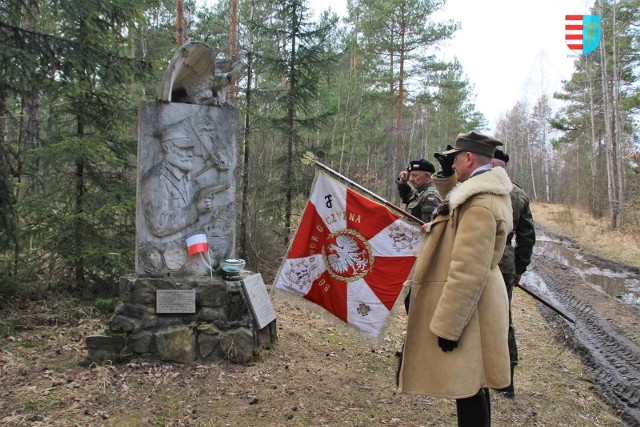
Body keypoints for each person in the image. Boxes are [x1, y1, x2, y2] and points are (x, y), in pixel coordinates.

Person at [397, 131, 514, 427]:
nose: (455, 164)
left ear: (469, 158)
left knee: (470, 386)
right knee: (474, 383)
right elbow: (455, 207)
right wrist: (447, 178)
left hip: (471, 307)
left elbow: (468, 270)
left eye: (456, 159)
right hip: (478, 302)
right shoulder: (485, 191)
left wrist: (448, 326)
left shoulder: (479, 204)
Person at [491, 149, 536, 399]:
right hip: (505, 259)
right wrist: (519, 267)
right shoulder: (517, 192)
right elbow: (527, 237)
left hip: (496, 257)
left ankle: (505, 376)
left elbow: (527, 236)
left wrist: (519, 268)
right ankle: (504, 378)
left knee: (499, 316)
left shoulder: (485, 188)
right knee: (500, 315)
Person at [396, 159, 442, 312]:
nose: (411, 179)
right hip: (414, 251)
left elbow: (430, 229)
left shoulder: (431, 196)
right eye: (411, 175)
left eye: (415, 176)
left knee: (416, 299)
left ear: (428, 176)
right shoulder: (421, 191)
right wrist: (402, 184)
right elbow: (410, 199)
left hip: (422, 254)